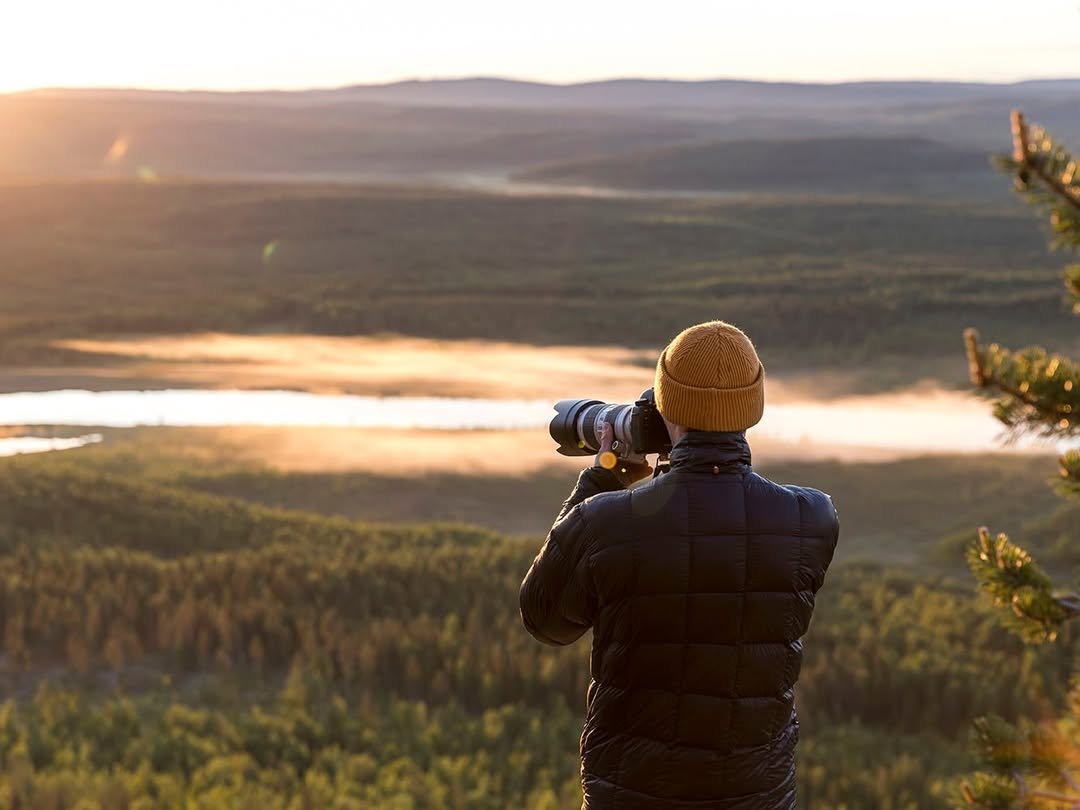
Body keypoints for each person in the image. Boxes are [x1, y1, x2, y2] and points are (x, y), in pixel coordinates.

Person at [519, 320, 839, 809]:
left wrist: (601, 480)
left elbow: (545, 619)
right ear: (751, 408)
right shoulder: (810, 519)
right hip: (756, 796)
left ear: (665, 402)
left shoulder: (607, 524)